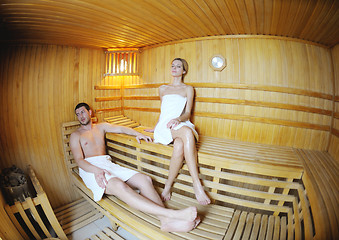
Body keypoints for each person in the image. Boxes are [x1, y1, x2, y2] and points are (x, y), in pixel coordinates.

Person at [69, 102, 200, 232]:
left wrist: (136, 133)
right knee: (120, 186)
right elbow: (79, 161)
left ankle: (165, 221)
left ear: (89, 112)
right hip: (90, 168)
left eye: (82, 112)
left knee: (145, 180)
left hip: (106, 163)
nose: (81, 116)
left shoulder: (100, 127)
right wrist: (96, 170)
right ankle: (172, 215)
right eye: (78, 114)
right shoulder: (76, 135)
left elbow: (120, 128)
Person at [145, 58, 211, 205]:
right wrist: (156, 127)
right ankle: (197, 184)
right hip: (166, 126)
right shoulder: (162, 88)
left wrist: (179, 119)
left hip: (180, 122)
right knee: (187, 133)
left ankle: (167, 187)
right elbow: (164, 112)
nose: (174, 68)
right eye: (173, 65)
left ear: (184, 71)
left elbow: (188, 113)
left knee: (180, 145)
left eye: (178, 66)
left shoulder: (188, 89)